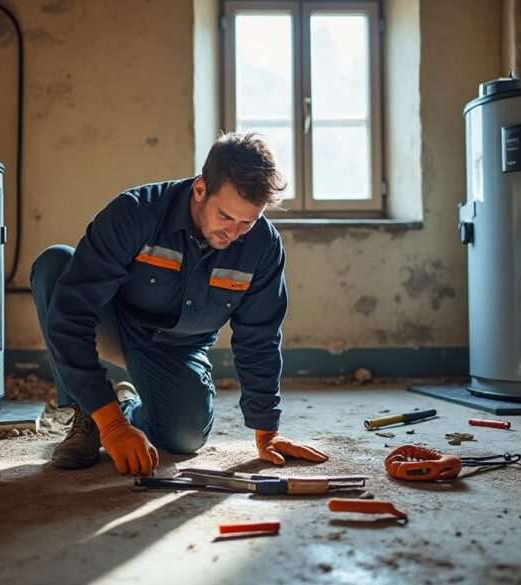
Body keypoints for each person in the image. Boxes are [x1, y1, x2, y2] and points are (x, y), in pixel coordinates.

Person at [30, 132, 328, 476]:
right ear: (200, 189)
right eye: (226, 217)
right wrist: (108, 424)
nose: (234, 233)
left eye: (247, 222)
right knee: (56, 265)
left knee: (185, 437)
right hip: (114, 323)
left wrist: (267, 430)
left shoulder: (262, 246)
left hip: (178, 346)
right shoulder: (136, 213)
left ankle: (126, 406)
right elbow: (72, 315)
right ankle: (89, 416)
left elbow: (259, 336)